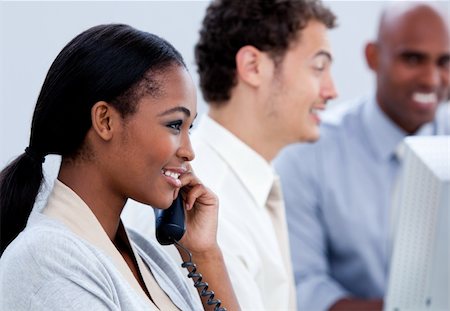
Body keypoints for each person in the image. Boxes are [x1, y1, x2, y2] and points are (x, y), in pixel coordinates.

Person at [0, 24, 240, 311]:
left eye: (190, 128)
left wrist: (204, 254)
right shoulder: (47, 261)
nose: (189, 151)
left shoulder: (148, 256)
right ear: (105, 121)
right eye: (174, 124)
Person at [274, 2, 450, 311]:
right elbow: (301, 285)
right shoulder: (308, 152)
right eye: (413, 59)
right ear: (373, 56)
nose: (432, 80)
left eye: (445, 62)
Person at [189, 0, 337, 309]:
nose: (331, 90)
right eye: (318, 68)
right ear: (253, 67)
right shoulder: (204, 206)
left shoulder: (247, 185)